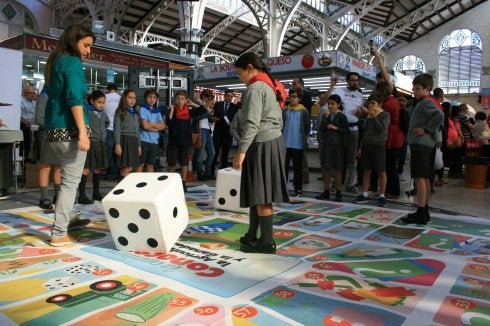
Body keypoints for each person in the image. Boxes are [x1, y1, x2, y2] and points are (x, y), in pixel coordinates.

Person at [233, 52, 289, 254]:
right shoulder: (270, 85)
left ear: (250, 68)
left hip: (261, 143)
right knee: (257, 194)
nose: (240, 78)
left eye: (240, 74)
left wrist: (241, 151)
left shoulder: (255, 89)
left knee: (262, 194)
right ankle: (252, 236)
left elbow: (251, 124)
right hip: (273, 140)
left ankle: (266, 242)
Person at [44, 24, 95, 246]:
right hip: (70, 129)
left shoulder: (56, 61)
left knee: (67, 178)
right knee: (70, 182)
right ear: (74, 41)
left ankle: (69, 217)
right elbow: (74, 98)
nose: (88, 51)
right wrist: (83, 132)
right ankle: (58, 233)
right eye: (86, 45)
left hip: (54, 127)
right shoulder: (72, 62)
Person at [401, 73, 444, 225]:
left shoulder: (425, 102)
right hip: (425, 145)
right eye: (413, 88)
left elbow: (439, 115)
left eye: (418, 88)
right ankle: (423, 211)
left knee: (420, 177)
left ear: (427, 88)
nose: (415, 91)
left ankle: (420, 212)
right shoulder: (424, 102)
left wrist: (426, 129)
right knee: (424, 178)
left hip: (421, 144)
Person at [323, 72, 364, 193]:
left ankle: (350, 184)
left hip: (353, 130)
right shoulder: (339, 91)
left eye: (357, 80)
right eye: (352, 80)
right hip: (339, 130)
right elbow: (326, 100)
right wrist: (332, 85)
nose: (355, 82)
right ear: (347, 81)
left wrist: (362, 113)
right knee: (338, 157)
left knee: (352, 158)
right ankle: (336, 183)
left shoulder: (360, 95)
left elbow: (363, 113)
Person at [353, 91, 390, 207]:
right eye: (369, 103)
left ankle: (382, 196)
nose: (370, 106)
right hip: (367, 146)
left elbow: (381, 130)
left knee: (381, 171)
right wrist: (360, 148)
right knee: (367, 170)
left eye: (373, 103)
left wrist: (374, 117)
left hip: (379, 146)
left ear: (380, 104)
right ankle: (364, 194)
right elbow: (365, 133)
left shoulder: (385, 115)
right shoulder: (367, 116)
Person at [166, 90, 207, 187]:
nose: (180, 101)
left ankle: (183, 182)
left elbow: (204, 111)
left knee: (184, 163)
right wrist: (171, 111)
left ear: (185, 100)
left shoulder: (189, 111)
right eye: (178, 99)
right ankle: (169, 183)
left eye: (182, 99)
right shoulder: (172, 110)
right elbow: (169, 123)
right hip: (174, 141)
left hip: (185, 141)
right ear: (175, 100)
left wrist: (193, 104)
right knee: (171, 163)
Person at [316, 94, 349, 202]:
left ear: (338, 105)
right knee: (326, 168)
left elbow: (346, 131)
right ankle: (326, 191)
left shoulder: (342, 116)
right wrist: (325, 118)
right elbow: (321, 129)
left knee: (338, 169)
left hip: (338, 145)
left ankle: (338, 192)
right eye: (329, 104)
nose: (330, 106)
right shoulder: (327, 115)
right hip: (327, 144)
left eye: (333, 104)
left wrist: (335, 127)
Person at [78, 90, 110, 204]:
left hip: (100, 143)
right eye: (99, 102)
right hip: (90, 142)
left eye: (103, 102)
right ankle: (81, 195)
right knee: (86, 168)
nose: (101, 105)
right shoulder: (87, 112)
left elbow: (107, 122)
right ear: (92, 101)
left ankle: (96, 193)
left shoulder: (103, 113)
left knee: (98, 168)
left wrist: (102, 132)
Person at [34, 86, 62, 209]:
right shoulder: (44, 96)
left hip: (59, 134)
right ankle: (44, 197)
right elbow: (39, 118)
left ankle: (58, 195)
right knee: (46, 166)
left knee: (58, 166)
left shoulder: (59, 96)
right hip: (47, 134)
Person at [376, 82, 404, 199]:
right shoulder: (395, 101)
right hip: (397, 136)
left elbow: (382, 121)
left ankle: (391, 191)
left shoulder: (387, 104)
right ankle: (393, 191)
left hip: (391, 137)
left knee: (389, 166)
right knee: (392, 166)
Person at [283, 87, 310, 197]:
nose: (291, 99)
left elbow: (307, 128)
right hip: (285, 144)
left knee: (297, 168)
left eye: (294, 97)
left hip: (298, 144)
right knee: (283, 167)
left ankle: (298, 188)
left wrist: (304, 139)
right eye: (290, 96)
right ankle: (283, 187)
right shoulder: (285, 110)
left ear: (299, 98)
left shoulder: (304, 111)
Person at [136, 88, 166, 173]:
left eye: (154, 97)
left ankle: (149, 185)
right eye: (149, 97)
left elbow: (163, 126)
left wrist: (150, 123)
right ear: (146, 98)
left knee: (150, 164)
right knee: (140, 163)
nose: (152, 99)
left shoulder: (157, 111)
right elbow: (145, 126)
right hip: (143, 140)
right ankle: (137, 183)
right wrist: (156, 127)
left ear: (156, 99)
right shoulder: (142, 109)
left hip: (154, 142)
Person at [114, 89, 141, 179]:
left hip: (133, 141)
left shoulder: (136, 113)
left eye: (134, 98)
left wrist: (139, 145)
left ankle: (122, 188)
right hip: (124, 140)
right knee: (126, 167)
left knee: (130, 167)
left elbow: (137, 131)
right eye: (130, 98)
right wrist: (117, 144)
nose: (132, 100)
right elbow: (117, 129)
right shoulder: (120, 111)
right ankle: (120, 189)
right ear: (124, 98)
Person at [292, 77, 312, 184]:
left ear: (301, 84)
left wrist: (306, 133)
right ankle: (297, 176)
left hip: (301, 129)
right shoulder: (292, 96)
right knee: (295, 155)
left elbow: (307, 114)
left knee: (302, 155)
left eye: (294, 83)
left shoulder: (306, 95)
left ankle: (305, 176)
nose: (293, 85)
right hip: (293, 129)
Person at [212, 89, 238, 172]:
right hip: (218, 132)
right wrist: (214, 118)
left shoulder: (234, 107)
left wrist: (232, 124)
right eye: (228, 96)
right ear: (224, 96)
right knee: (214, 153)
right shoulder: (218, 104)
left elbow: (235, 119)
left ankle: (223, 172)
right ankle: (211, 172)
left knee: (225, 154)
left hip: (228, 134)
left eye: (231, 96)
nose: (230, 98)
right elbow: (213, 116)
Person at [193, 89, 216, 181]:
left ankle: (207, 172)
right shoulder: (196, 103)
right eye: (208, 99)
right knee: (200, 153)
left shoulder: (206, 105)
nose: (209, 101)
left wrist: (212, 117)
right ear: (203, 97)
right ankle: (199, 173)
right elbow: (195, 117)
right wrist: (207, 113)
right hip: (200, 130)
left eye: (210, 99)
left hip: (207, 130)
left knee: (212, 153)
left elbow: (208, 118)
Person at [104, 83, 121, 180]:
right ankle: (117, 172)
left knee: (109, 152)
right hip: (118, 129)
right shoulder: (121, 98)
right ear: (116, 89)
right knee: (118, 151)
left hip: (108, 128)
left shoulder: (104, 97)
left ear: (107, 89)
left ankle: (111, 172)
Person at [20, 85, 37, 162]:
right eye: (30, 93)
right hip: (25, 126)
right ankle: (27, 160)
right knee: (27, 144)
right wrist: (28, 124)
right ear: (25, 93)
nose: (33, 94)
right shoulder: (21, 101)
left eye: (34, 93)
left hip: (34, 125)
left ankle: (34, 158)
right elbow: (19, 116)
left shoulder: (34, 102)